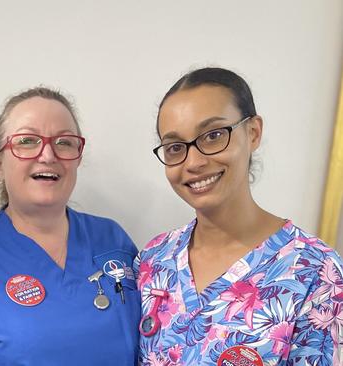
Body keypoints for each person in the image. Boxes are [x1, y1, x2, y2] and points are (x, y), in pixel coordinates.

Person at [136, 67, 343, 365]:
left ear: (253, 132)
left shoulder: (316, 274)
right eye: (175, 147)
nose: (193, 162)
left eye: (213, 135)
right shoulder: (154, 261)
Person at [0, 87, 140, 365]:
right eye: (27, 140)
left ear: (78, 158)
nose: (48, 155)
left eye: (64, 142)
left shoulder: (112, 239)